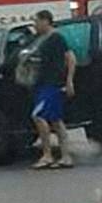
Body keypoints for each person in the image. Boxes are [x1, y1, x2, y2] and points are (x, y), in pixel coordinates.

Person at [31, 10, 76, 169]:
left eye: (36, 21)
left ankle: (47, 154)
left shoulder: (56, 38)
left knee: (38, 116)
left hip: (53, 83)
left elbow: (70, 57)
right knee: (56, 120)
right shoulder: (39, 40)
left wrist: (69, 80)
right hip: (42, 83)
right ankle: (66, 156)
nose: (35, 25)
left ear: (45, 21)